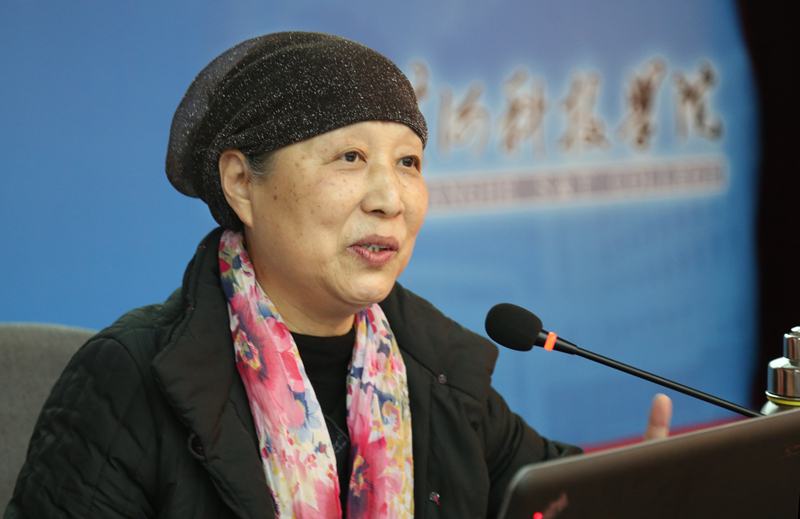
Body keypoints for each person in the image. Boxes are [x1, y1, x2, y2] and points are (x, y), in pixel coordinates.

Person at [5, 32, 671, 518]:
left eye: (408, 163)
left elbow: (549, 495)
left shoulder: (435, 369)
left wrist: (637, 494)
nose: (390, 198)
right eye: (350, 157)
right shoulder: (128, 381)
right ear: (241, 183)